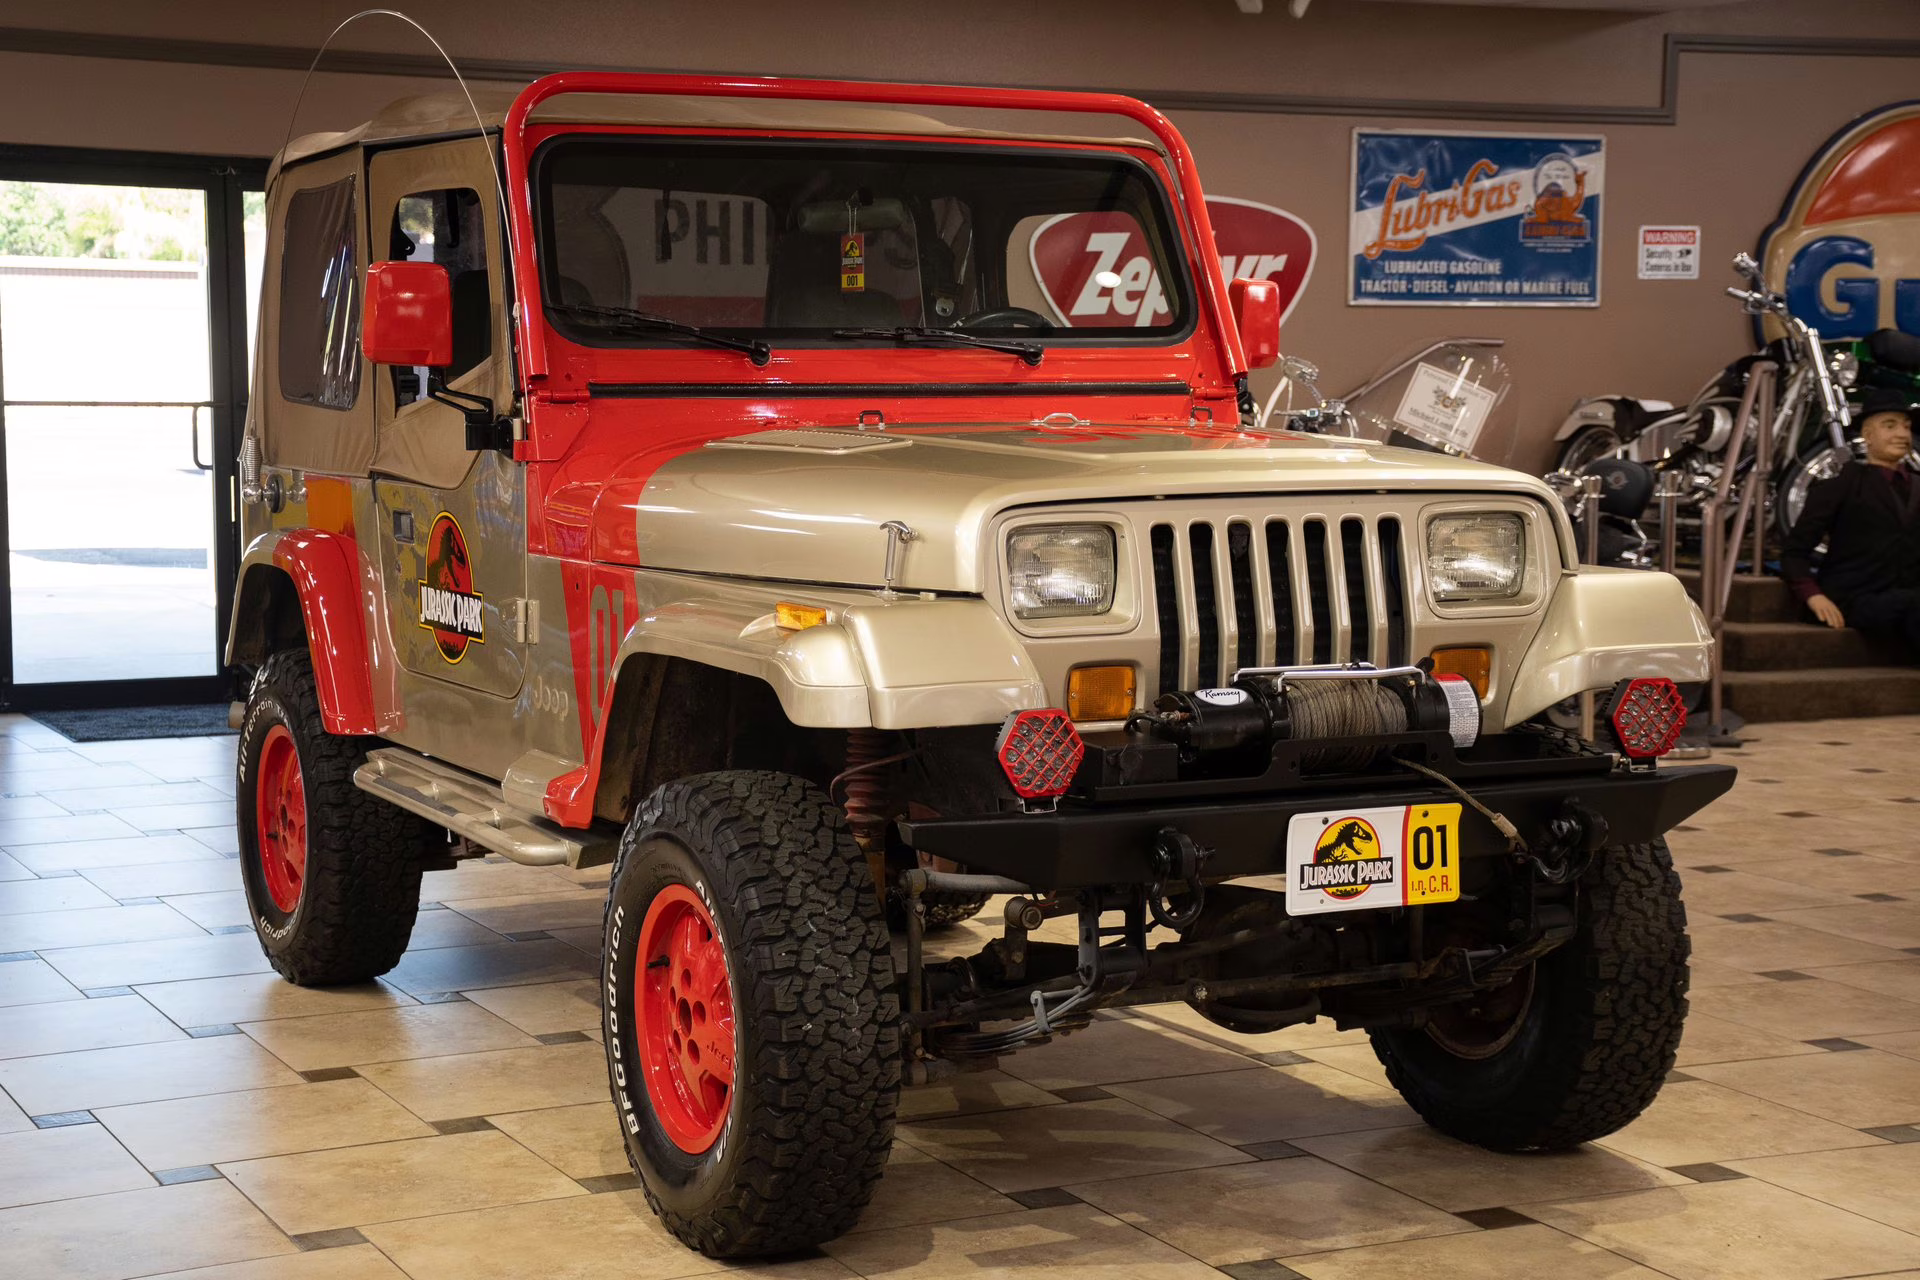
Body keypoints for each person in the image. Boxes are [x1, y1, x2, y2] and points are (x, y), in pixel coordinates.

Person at [1780, 387, 1920, 652]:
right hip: (1856, 598)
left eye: (1906, 426)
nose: (1903, 434)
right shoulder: (1843, 483)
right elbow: (1794, 551)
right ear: (1868, 435)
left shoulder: (1917, 486)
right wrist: (1813, 595)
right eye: (1890, 426)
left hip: (1908, 601)